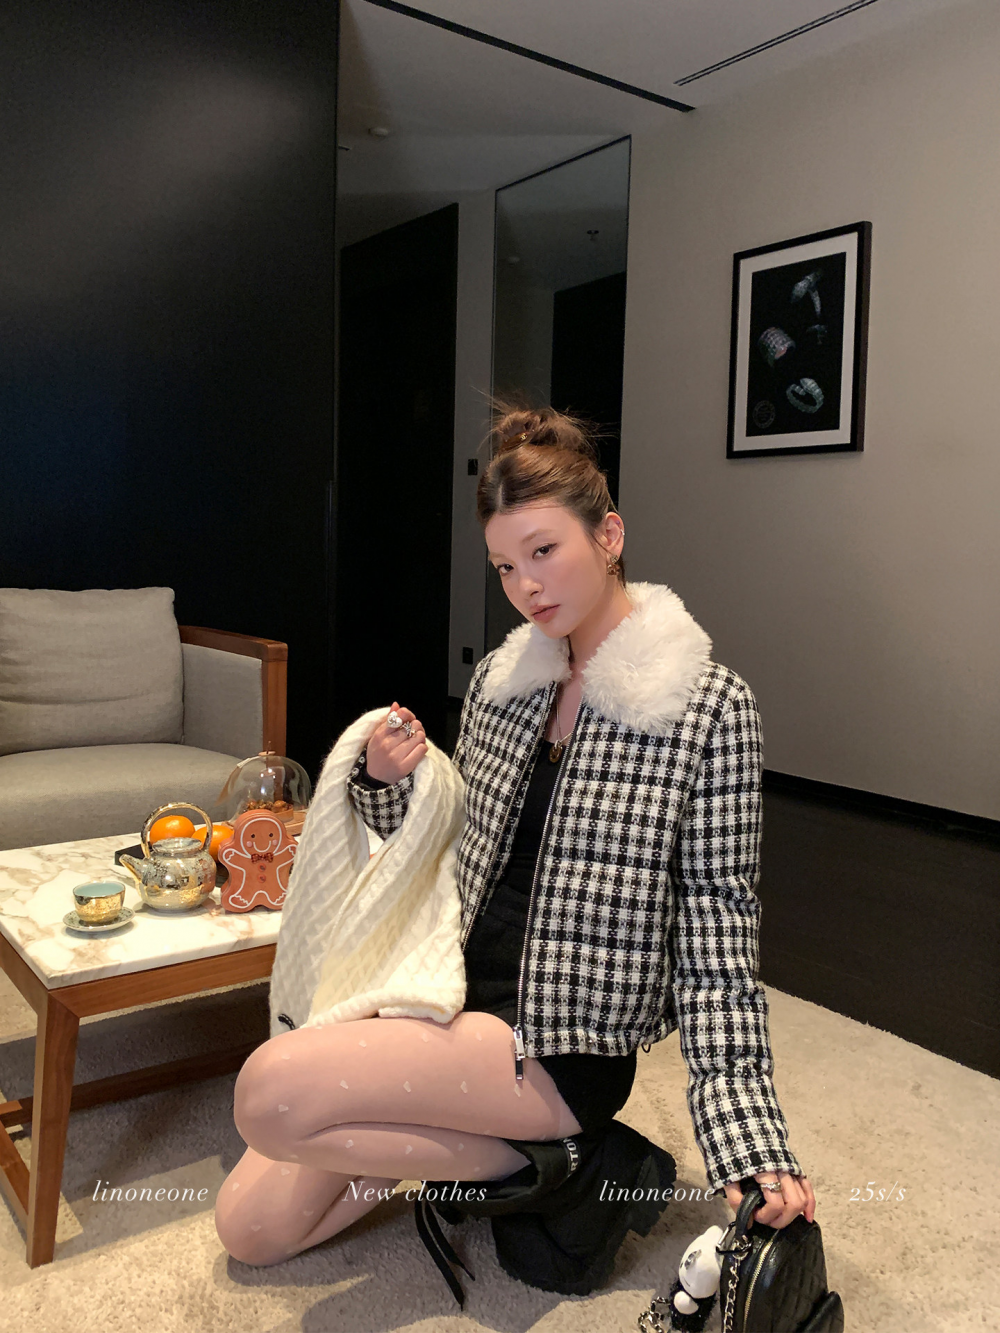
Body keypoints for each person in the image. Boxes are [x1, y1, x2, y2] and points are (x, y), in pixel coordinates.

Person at [215, 405, 815, 1280]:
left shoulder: (709, 706)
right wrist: (385, 782)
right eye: (505, 565)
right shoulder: (506, 681)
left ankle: (577, 1155)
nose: (527, 585)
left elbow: (718, 930)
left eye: (544, 550)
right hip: (448, 986)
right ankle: (530, 1161)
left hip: (556, 1041)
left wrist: (746, 1132)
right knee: (250, 1227)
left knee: (269, 1093)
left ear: (608, 535)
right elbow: (444, 845)